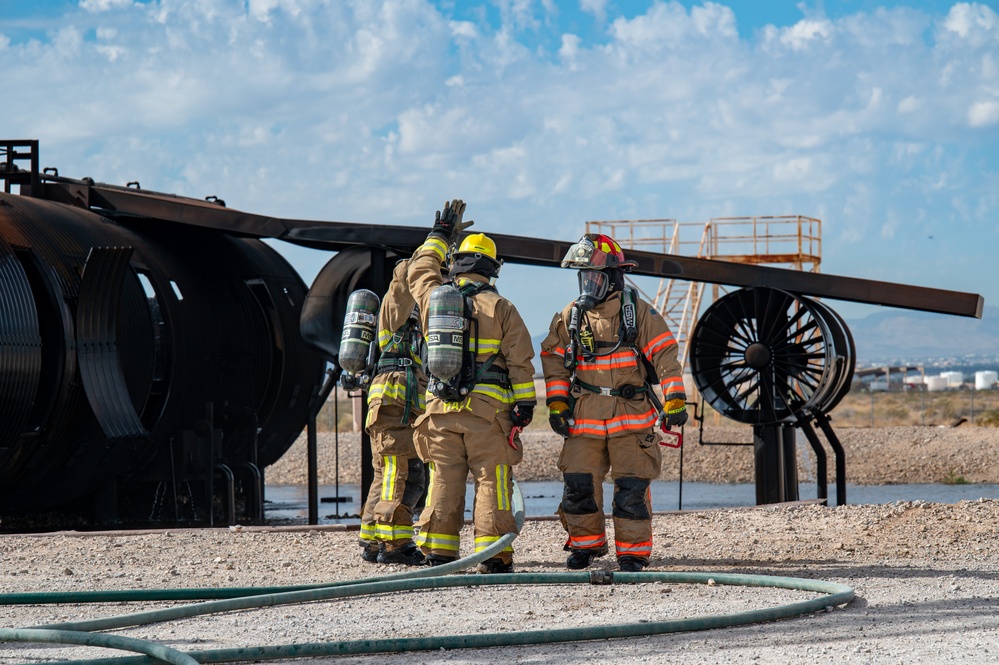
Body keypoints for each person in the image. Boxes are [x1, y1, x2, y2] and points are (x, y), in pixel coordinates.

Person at [540, 233, 687, 572]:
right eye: (584, 277)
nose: (588, 284)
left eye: (594, 277)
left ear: (613, 277)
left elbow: (665, 354)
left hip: (631, 418)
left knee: (632, 489)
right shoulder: (570, 316)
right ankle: (585, 546)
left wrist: (675, 398)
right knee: (578, 484)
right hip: (585, 417)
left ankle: (633, 553)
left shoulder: (639, 313)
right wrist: (558, 403)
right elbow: (553, 358)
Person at [406, 199, 537, 574]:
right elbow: (520, 363)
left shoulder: (433, 299)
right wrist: (524, 408)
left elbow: (418, 268)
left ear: (457, 263)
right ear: (492, 269)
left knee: (443, 479)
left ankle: (438, 553)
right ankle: (492, 556)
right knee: (491, 480)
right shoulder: (502, 308)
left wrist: (439, 235)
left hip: (439, 412)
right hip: (487, 414)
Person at [343, 258, 428, 565]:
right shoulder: (394, 310)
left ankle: (370, 539)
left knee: (385, 473)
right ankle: (394, 543)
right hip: (395, 403)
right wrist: (430, 248)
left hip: (392, 404)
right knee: (400, 472)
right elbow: (403, 283)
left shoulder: (412, 325)